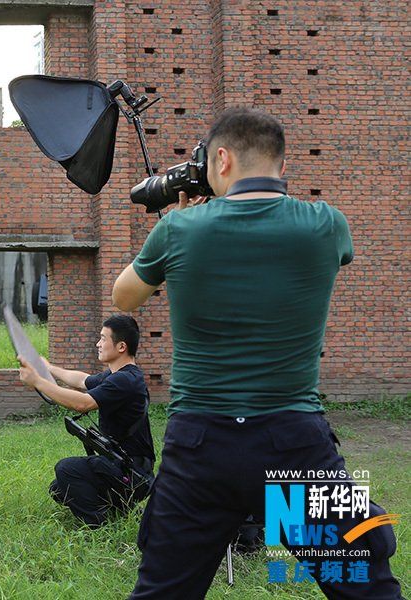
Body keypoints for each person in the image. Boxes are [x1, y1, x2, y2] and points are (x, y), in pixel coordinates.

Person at [112, 107, 401, 599]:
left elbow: (125, 298)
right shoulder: (326, 225)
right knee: (368, 590)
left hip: (201, 446)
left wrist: (180, 222)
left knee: (163, 591)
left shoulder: (180, 230)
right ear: (281, 166)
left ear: (220, 159)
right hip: (294, 444)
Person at [18, 314, 155, 528]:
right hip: (122, 466)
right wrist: (48, 368)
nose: (97, 343)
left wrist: (38, 381)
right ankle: (118, 510)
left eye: (102, 338)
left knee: (66, 469)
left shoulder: (125, 380)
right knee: (60, 489)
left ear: (121, 346)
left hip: (134, 474)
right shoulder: (116, 375)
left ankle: (98, 525)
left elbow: (82, 403)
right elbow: (81, 380)